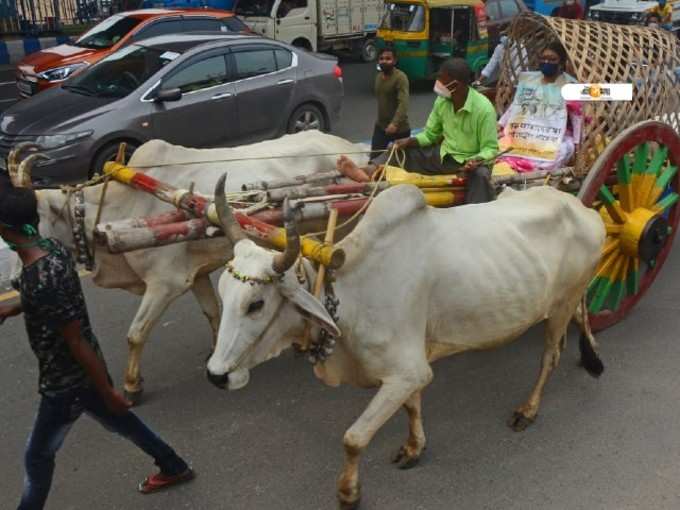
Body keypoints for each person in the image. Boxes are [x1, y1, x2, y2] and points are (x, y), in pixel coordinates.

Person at [0, 185, 194, 510]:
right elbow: (50, 303)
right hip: (86, 371)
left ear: (6, 229)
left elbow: (73, 338)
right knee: (122, 421)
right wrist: (13, 307)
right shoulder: (54, 251)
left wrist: (107, 391)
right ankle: (173, 465)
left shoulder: (38, 279)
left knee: (37, 458)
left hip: (65, 384)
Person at [338, 58, 498, 204]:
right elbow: (430, 134)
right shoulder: (442, 101)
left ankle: (475, 213)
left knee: (481, 176)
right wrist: (409, 141)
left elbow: (490, 149)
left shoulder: (483, 109)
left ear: (455, 85)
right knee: (401, 151)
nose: (438, 83)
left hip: (470, 164)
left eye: (441, 79)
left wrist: (476, 160)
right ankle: (366, 173)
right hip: (444, 156)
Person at [495, 41, 582, 174]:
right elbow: (516, 106)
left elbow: (577, 117)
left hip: (555, 134)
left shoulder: (569, 85)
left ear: (561, 62)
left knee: (557, 154)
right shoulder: (530, 80)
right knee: (500, 147)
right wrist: (501, 125)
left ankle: (534, 172)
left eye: (552, 59)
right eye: (543, 58)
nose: (546, 62)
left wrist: (577, 143)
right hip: (524, 131)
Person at [370, 46, 411, 160]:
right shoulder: (378, 77)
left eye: (388, 58)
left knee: (399, 164)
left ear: (394, 61)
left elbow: (404, 103)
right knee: (374, 160)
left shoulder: (400, 78)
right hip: (381, 127)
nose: (384, 61)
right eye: (381, 58)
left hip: (399, 129)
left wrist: (394, 123)